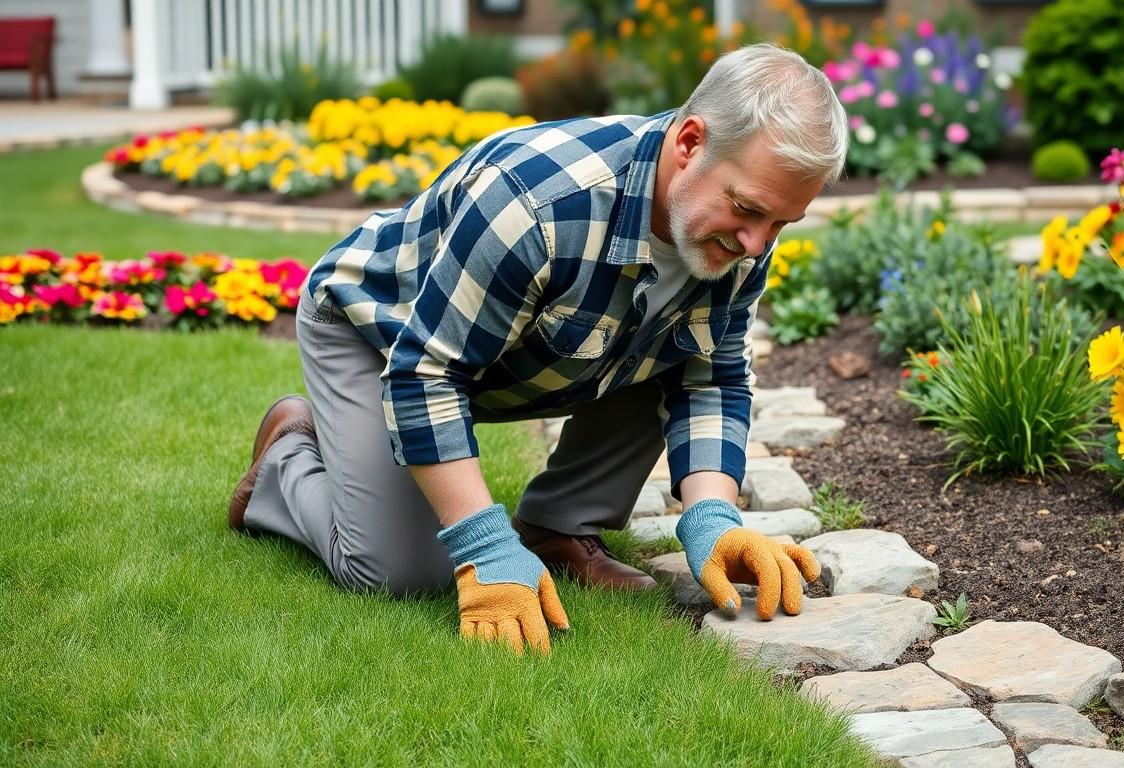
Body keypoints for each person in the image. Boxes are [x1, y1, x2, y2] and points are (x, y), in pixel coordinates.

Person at [228, 43, 849, 655]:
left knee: (665, 343)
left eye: (779, 225)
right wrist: (483, 547)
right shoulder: (535, 201)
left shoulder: (737, 231)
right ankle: (288, 460)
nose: (755, 242)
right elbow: (426, 372)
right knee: (399, 571)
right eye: (747, 211)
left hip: (528, 356)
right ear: (689, 144)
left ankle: (558, 528)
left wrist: (714, 519)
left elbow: (709, 377)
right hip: (382, 334)